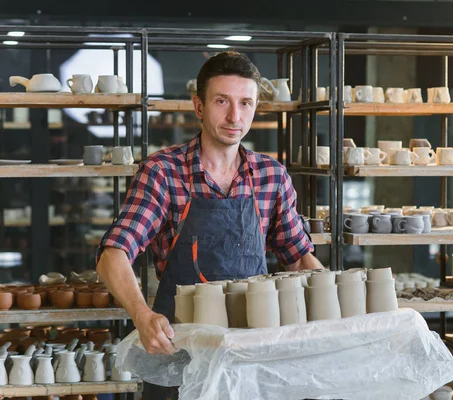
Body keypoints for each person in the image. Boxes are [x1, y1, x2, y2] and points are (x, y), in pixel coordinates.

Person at [96, 51, 324, 399]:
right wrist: (142, 316)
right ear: (199, 106)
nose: (235, 116)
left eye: (246, 103)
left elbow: (298, 257)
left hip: (251, 351)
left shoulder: (271, 176)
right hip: (180, 350)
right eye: (222, 101)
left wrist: (340, 311)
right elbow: (114, 252)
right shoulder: (163, 172)